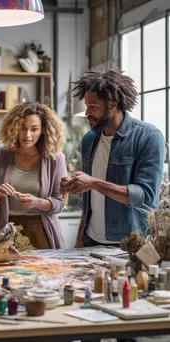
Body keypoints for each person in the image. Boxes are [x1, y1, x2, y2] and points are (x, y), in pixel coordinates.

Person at [60, 69, 165, 248]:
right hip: (91, 239)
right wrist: (80, 237)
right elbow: (88, 197)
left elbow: (145, 196)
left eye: (93, 106)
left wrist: (93, 183)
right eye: (86, 106)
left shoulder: (149, 137)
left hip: (130, 242)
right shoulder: (89, 139)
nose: (87, 113)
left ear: (112, 104)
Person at [0, 102, 67, 249]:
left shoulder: (55, 158)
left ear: (43, 130)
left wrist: (37, 202)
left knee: (46, 271)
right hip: (5, 230)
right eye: (22, 128)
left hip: (41, 230)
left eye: (34, 129)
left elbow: (59, 204)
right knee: (5, 272)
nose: (27, 135)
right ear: (14, 128)